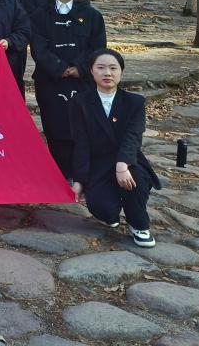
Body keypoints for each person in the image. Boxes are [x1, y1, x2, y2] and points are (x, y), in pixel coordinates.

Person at [70, 49, 159, 248]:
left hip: (127, 158)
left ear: (121, 72)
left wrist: (122, 165)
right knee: (101, 207)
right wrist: (79, 180)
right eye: (101, 68)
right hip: (98, 161)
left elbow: (133, 137)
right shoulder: (80, 102)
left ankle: (139, 225)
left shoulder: (135, 102)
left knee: (134, 182)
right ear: (91, 71)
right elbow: (81, 143)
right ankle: (111, 211)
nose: (107, 73)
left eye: (113, 68)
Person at [30, 0, 107, 178]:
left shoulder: (91, 15)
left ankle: (81, 173)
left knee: (82, 125)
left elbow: (97, 46)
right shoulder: (40, 15)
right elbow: (38, 47)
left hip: (82, 80)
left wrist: (79, 68)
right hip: (50, 80)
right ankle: (59, 174)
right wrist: (60, 68)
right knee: (55, 126)